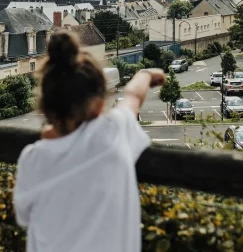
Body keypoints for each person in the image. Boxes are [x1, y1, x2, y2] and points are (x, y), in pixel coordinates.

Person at [14, 30, 165, 252]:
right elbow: (133, 97)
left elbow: (24, 217)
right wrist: (146, 74)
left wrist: (54, 133)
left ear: (45, 108)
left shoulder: (32, 159)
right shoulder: (113, 133)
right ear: (98, 103)